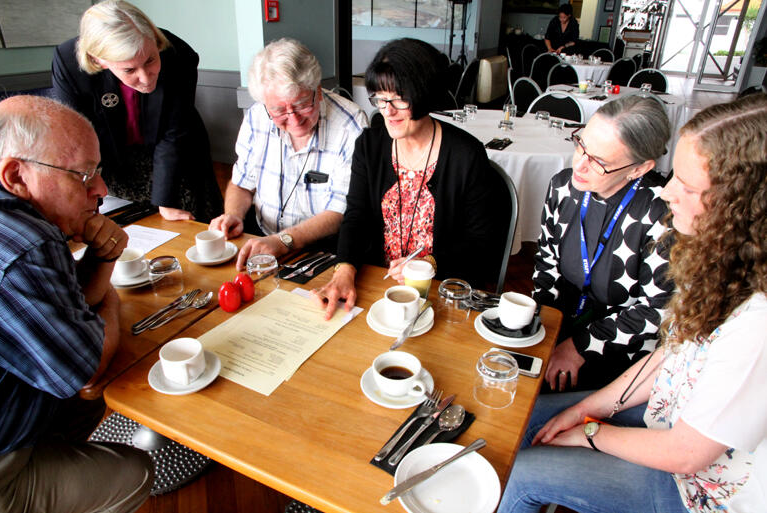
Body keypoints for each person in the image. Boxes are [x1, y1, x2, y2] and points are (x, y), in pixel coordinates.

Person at [498, 94, 767, 513]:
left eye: (688, 184)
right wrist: (587, 408)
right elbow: (669, 357)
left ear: (742, 209)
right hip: (657, 408)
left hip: (695, 488)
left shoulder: (756, 322)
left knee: (522, 470)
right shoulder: (722, 265)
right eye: (675, 174)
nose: (669, 190)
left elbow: (686, 454)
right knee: (515, 419)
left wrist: (590, 431)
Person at [0, 95, 154, 512]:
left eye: (97, 171)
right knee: (135, 472)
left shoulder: (15, 219)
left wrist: (102, 258)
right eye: (82, 175)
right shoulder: (28, 244)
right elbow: (86, 367)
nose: (101, 190)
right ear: (16, 175)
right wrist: (112, 301)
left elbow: (61, 313)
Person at [312, 38, 510, 319]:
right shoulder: (370, 146)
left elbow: (481, 244)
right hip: (378, 286)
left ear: (424, 94)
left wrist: (427, 262)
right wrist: (344, 269)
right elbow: (356, 216)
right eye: (380, 98)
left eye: (399, 98)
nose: (387, 110)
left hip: (443, 293)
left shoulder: (465, 154)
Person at [535, 95, 674, 392]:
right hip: (561, 326)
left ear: (638, 169)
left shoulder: (661, 214)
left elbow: (657, 310)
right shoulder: (563, 186)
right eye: (581, 145)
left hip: (622, 352)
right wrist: (539, 333)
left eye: (599, 161)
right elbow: (546, 262)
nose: (579, 166)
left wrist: (579, 346)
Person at [52, 0, 223, 222]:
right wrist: (88, 199)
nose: (145, 77)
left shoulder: (178, 54)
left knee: (191, 221)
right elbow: (77, 137)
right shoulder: (68, 63)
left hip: (176, 152)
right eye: (129, 69)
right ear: (99, 60)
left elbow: (173, 132)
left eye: (150, 60)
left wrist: (166, 202)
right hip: (113, 156)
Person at [210, 38, 368, 270]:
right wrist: (233, 215)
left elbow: (340, 210)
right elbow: (242, 183)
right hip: (263, 239)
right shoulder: (256, 117)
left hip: (325, 250)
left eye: (303, 104)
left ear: (319, 91)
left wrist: (283, 241)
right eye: (279, 110)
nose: (294, 119)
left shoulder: (351, 124)